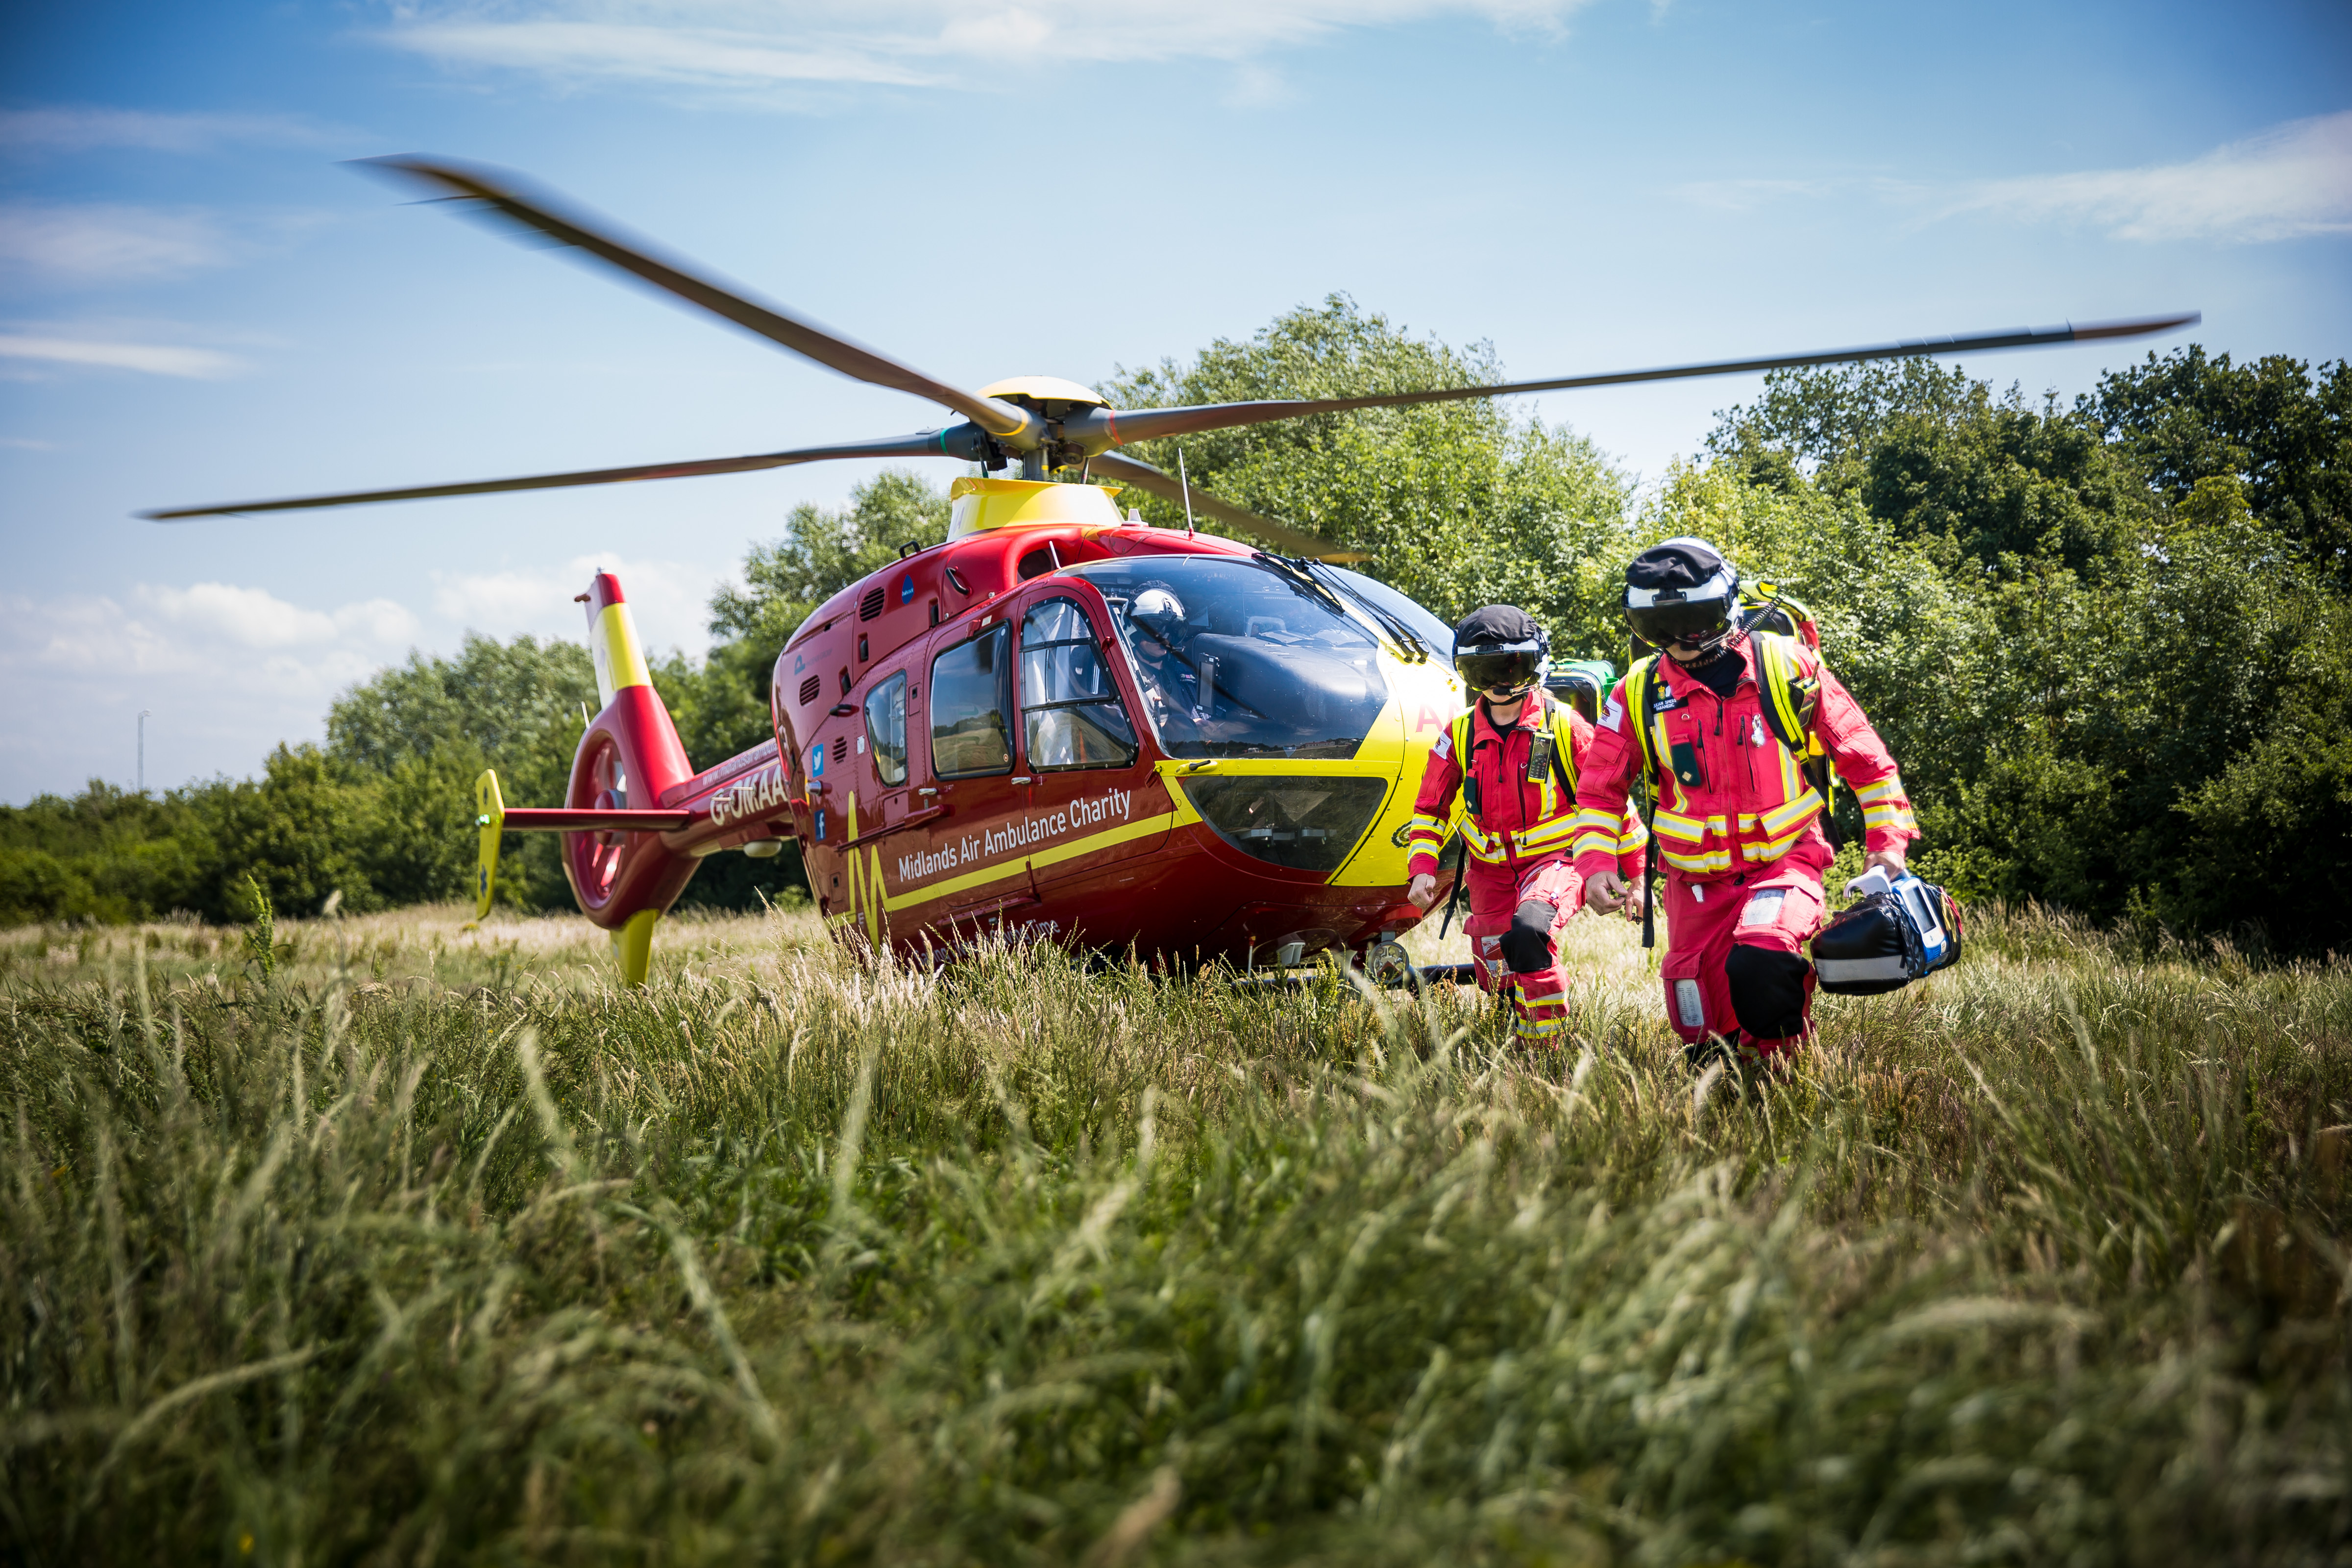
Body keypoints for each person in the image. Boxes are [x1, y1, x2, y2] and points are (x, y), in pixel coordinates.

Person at [1573, 538, 1917, 1069]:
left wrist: (1887, 845)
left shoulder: (1789, 668)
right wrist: (1596, 865)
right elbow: (1600, 790)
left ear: (1726, 606)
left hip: (1783, 861)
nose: (1677, 641)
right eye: (1657, 628)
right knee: (1704, 1033)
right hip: (1693, 885)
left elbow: (1867, 761)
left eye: (1693, 621)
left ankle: (1789, 1078)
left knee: (1762, 957)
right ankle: (1735, 1081)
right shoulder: (1635, 692)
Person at [1405, 606, 1647, 1045]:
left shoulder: (1566, 726)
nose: (1499, 685)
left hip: (1555, 863)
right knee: (1496, 966)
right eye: (1485, 671)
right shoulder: (1457, 735)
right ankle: (1509, 1029)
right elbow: (1429, 808)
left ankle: (1543, 1048)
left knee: (1530, 932)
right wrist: (1422, 865)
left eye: (1511, 670)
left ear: (1534, 666)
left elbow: (1611, 801)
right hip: (1487, 872)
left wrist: (1639, 875)